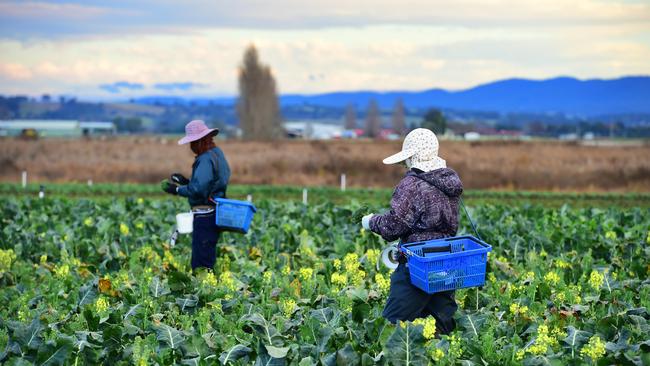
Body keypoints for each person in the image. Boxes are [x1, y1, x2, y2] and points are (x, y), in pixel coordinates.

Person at [361, 128, 462, 335]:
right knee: (441, 328)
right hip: (445, 262)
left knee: (391, 328)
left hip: (417, 265)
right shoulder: (450, 183)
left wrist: (370, 221)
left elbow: (394, 226)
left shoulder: (412, 184)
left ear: (412, 157)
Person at [161, 120, 231, 271]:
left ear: (199, 141)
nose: (191, 147)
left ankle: (203, 291)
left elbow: (198, 189)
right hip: (215, 213)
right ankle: (206, 287)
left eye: (192, 142)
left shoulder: (205, 158)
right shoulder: (217, 154)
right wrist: (186, 181)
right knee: (207, 256)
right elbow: (211, 183)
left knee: (201, 262)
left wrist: (177, 190)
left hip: (205, 216)